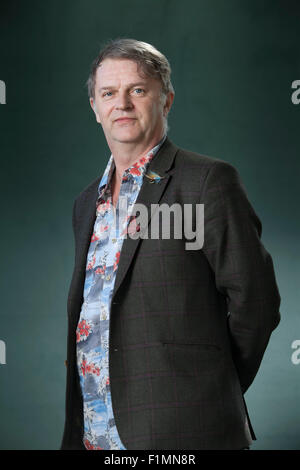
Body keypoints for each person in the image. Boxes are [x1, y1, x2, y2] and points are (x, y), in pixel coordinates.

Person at [60, 38, 281, 450]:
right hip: (93, 434)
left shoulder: (206, 182)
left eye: (138, 90)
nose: (122, 103)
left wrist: (212, 382)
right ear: (94, 106)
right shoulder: (86, 202)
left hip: (184, 430)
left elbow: (257, 300)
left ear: (166, 100)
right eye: (109, 93)